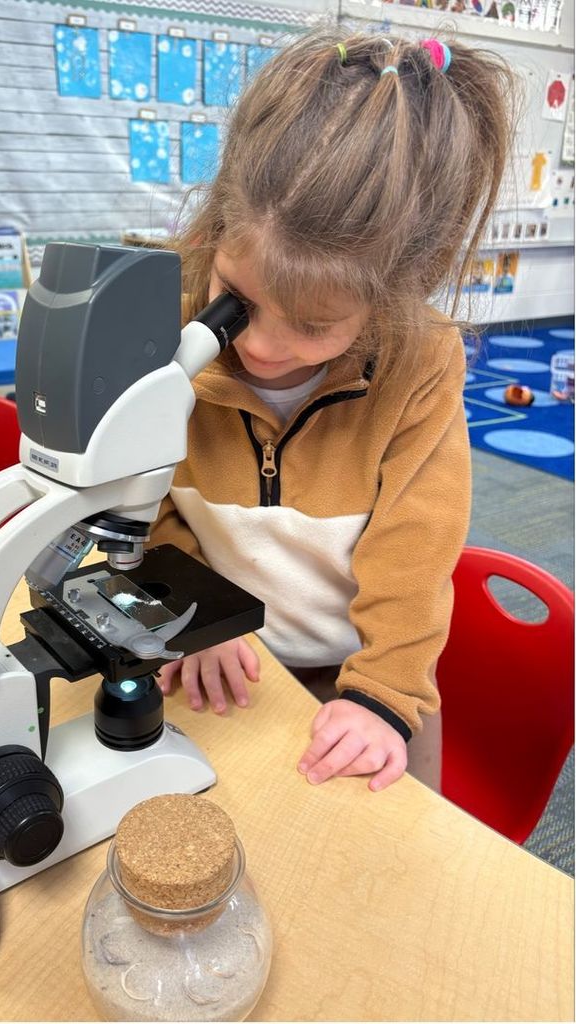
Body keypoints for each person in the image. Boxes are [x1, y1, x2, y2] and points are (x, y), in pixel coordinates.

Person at [151, 31, 515, 794]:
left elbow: (417, 552)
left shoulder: (420, 358)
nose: (262, 348)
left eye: (314, 326)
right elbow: (139, 503)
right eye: (239, 300)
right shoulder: (165, 321)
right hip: (221, 653)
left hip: (365, 680)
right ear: (217, 229)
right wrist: (197, 611)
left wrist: (382, 695)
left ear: (395, 297)